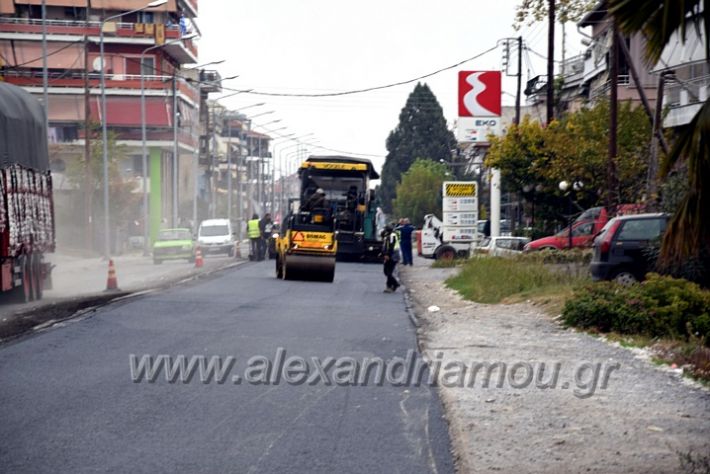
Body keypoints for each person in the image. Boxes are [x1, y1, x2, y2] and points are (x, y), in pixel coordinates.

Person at [381, 225, 401, 293]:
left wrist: (387, 255)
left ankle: (392, 285)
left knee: (388, 271)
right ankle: (393, 285)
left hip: (393, 255)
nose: (384, 231)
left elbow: (391, 246)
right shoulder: (389, 235)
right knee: (387, 271)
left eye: (385, 230)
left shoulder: (392, 235)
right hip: (392, 254)